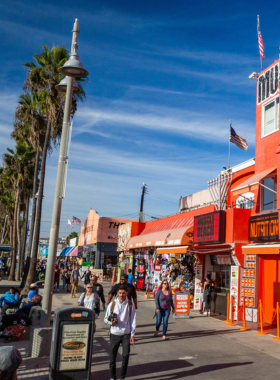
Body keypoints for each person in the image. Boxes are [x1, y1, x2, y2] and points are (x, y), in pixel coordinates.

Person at [104, 285, 136, 380]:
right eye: (120, 293)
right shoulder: (112, 304)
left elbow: (133, 320)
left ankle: (122, 377)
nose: (121, 295)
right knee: (113, 357)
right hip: (114, 334)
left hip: (126, 334)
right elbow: (105, 319)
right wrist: (111, 322)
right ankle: (112, 377)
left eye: (123, 293)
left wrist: (132, 334)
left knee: (125, 356)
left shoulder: (130, 304)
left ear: (126, 293)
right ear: (117, 293)